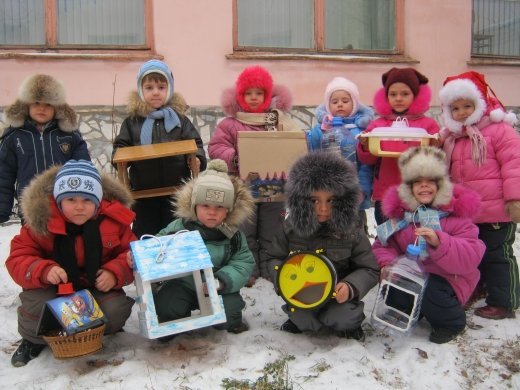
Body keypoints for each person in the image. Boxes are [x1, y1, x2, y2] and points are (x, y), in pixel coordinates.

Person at [6, 160, 136, 367]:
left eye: (87, 199)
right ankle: (33, 340)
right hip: (54, 288)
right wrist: (44, 270)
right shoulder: (42, 223)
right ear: (58, 201)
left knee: (115, 308)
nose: (79, 207)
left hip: (94, 286)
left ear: (99, 201)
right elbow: (19, 258)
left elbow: (131, 253)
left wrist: (115, 272)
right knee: (37, 305)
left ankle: (93, 330)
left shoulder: (113, 222)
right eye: (71, 199)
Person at [372, 146, 486, 343]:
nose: (424, 186)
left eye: (430, 181)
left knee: (429, 289)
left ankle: (452, 322)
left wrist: (439, 242)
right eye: (417, 182)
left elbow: (470, 256)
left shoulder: (456, 217)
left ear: (441, 184)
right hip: (412, 273)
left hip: (448, 279)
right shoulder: (403, 217)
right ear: (409, 187)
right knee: (394, 291)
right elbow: (382, 244)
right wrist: (389, 265)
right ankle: (416, 308)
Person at [266, 151, 379, 341]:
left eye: (331, 201)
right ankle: (299, 319)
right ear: (300, 200)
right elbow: (274, 258)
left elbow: (369, 268)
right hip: (302, 293)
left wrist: (351, 287)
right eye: (314, 201)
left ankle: (351, 322)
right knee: (303, 320)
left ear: (344, 201)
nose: (323, 208)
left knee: (342, 318)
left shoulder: (351, 229)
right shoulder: (291, 227)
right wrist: (284, 281)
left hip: (337, 297)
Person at [438, 70, 520, 320]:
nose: (462, 112)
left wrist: (514, 199)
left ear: (480, 105)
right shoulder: (452, 137)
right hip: (466, 212)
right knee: (472, 255)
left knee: (497, 256)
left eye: (467, 105)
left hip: (496, 211)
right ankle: (479, 287)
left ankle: (505, 300)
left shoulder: (498, 130)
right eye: (456, 108)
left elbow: (514, 165)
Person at [208, 65, 301, 286]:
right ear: (239, 96)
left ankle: (271, 270)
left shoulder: (279, 123)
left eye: (259, 93)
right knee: (244, 231)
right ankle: (247, 269)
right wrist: (237, 157)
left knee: (273, 231)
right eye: (248, 93)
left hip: (274, 188)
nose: (253, 98)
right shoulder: (230, 124)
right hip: (244, 190)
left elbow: (294, 146)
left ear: (268, 96)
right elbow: (216, 148)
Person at [145, 159, 255, 335]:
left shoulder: (233, 236)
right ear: (194, 206)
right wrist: (142, 256)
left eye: (219, 207)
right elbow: (156, 245)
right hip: (183, 283)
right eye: (205, 205)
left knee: (230, 311)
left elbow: (243, 262)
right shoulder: (179, 227)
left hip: (217, 287)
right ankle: (169, 325)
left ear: (228, 210)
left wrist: (221, 281)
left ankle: (231, 320)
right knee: (166, 306)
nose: (212, 212)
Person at [112, 59, 207, 238]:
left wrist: (196, 159)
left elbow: (195, 144)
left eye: (161, 88)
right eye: (149, 88)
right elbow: (120, 147)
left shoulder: (180, 120)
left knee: (177, 232)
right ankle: (146, 264)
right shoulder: (132, 122)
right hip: (143, 192)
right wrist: (123, 160)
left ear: (169, 90)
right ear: (141, 90)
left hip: (177, 190)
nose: (155, 93)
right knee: (146, 234)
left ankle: (180, 266)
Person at [0, 74, 91, 223]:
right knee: (34, 243)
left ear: (57, 107)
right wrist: (2, 208)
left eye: (48, 104)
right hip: (30, 206)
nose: (42, 108)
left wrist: (85, 199)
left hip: (64, 202)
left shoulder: (70, 135)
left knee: (65, 243)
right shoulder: (14, 136)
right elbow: (4, 174)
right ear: (26, 105)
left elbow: (84, 168)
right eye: (36, 103)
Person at [357, 67, 440, 225]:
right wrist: (365, 145)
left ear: (415, 95)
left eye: (405, 94)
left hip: (418, 191)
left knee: (416, 234)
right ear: (386, 96)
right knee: (386, 233)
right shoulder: (378, 124)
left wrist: (436, 145)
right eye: (393, 94)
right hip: (385, 191)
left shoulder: (428, 125)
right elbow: (367, 159)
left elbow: (437, 159)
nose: (398, 98)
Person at [307, 76, 374, 228]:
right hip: (328, 188)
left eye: (345, 101)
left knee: (355, 226)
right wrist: (321, 131)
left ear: (355, 104)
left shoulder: (361, 130)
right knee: (329, 223)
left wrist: (363, 188)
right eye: (334, 101)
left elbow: (366, 164)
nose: (340, 105)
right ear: (327, 105)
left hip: (354, 187)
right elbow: (313, 150)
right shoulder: (322, 127)